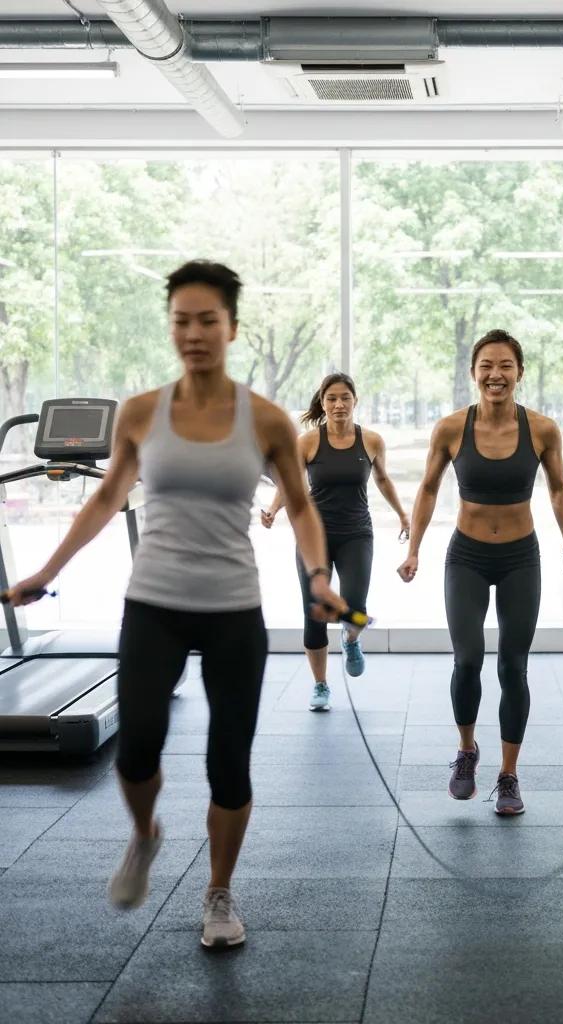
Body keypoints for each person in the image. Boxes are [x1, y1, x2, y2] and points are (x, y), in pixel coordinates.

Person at [4, 260, 348, 949]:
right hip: (154, 601)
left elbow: (304, 509)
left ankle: (218, 894)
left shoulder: (268, 419)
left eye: (207, 321)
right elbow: (106, 499)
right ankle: (144, 835)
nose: (194, 334)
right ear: (172, 327)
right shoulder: (141, 413)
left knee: (229, 761)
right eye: (181, 321)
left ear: (232, 328)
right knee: (136, 750)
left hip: (232, 611)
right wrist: (46, 569)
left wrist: (316, 575)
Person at [397, 329, 563, 816]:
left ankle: (508, 775)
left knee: (512, 666)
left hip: (522, 557)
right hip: (467, 557)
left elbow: (560, 489)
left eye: (505, 366)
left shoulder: (542, 429)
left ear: (519, 372)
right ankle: (466, 751)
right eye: (486, 366)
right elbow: (427, 489)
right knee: (467, 659)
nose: (495, 375)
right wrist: (414, 549)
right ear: (473, 373)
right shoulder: (450, 429)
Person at [262, 373, 409, 709]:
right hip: (314, 535)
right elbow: (290, 483)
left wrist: (403, 514)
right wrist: (272, 510)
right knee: (312, 613)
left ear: (355, 401)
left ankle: (351, 639)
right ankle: (321, 685)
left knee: (355, 609)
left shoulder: (371, 441)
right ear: (323, 402)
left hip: (357, 533)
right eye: (332, 398)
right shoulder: (308, 442)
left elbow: (383, 480)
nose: (339, 404)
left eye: (345, 398)